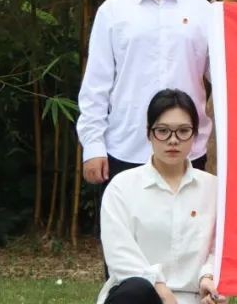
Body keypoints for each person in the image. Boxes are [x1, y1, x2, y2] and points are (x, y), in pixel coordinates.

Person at [78, 0, 213, 187]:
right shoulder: (113, 11)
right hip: (126, 147)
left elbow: (225, 81)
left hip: (187, 147)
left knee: (187, 216)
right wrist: (92, 146)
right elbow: (96, 85)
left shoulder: (204, 12)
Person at [96, 88, 226, 304]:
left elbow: (220, 249)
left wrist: (208, 277)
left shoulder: (214, 189)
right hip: (141, 297)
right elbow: (120, 254)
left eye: (183, 131)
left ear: (195, 134)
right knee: (137, 290)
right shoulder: (122, 187)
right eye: (163, 131)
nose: (173, 140)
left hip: (194, 298)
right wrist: (160, 289)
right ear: (149, 133)